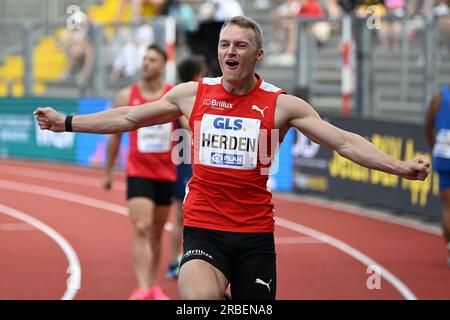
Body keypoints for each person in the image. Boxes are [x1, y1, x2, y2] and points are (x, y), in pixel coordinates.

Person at [35, 16, 430, 300]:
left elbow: (344, 141)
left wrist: (399, 167)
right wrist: (66, 122)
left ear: (257, 54)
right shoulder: (192, 94)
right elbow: (126, 116)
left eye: (240, 45)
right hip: (203, 227)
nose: (230, 51)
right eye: (224, 44)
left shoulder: (282, 105)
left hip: (255, 235)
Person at [102, 44, 175, 300]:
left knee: (156, 232)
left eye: (152, 59)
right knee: (142, 227)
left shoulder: (172, 96)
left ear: (163, 65)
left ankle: (153, 284)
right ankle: (143, 286)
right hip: (138, 172)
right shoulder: (126, 95)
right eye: (144, 58)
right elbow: (114, 137)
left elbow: (189, 131)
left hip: (167, 175)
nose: (145, 63)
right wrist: (109, 171)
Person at [166, 55, 208, 280]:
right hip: (186, 163)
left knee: (186, 215)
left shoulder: (190, 95)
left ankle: (186, 258)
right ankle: (175, 261)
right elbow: (189, 125)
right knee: (182, 215)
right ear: (197, 75)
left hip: (189, 162)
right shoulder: (186, 97)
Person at [424, 85, 450, 268]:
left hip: (443, 154)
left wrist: (435, 146)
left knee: (448, 208)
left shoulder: (439, 98)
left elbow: (427, 125)